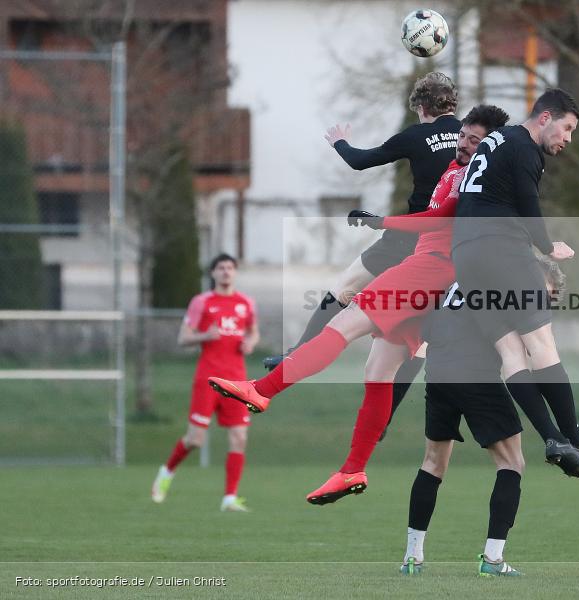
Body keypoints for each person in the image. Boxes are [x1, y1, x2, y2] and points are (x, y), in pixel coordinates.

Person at [208, 106, 511, 505]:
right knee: (379, 369)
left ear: (488, 146)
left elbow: (437, 221)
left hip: (429, 269)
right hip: (431, 273)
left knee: (347, 322)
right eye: (463, 136)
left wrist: (381, 222)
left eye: (475, 140)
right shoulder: (457, 169)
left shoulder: (477, 176)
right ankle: (352, 470)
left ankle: (262, 390)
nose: (464, 143)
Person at [261, 72, 462, 408]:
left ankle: (295, 355)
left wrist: (339, 141)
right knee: (419, 333)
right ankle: (388, 412)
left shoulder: (416, 135)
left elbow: (360, 161)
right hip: (445, 246)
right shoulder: (472, 137)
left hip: (404, 236)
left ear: (422, 106)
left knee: (345, 287)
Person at [450, 88, 579, 469]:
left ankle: (552, 438)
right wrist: (546, 245)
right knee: (542, 345)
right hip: (500, 247)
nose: (568, 139)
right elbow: (527, 204)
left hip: (466, 256)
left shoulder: (496, 139)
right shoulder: (525, 148)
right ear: (545, 118)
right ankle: (576, 438)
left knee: (510, 353)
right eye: (567, 128)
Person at [400, 282, 526, 577]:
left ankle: (412, 559)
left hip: (440, 373)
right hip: (477, 375)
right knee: (512, 463)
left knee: (432, 463)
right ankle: (493, 560)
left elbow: (426, 333)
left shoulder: (448, 280)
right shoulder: (502, 279)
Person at [151, 254, 259, 512]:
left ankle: (229, 498)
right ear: (212, 273)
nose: (226, 272)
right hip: (208, 379)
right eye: (221, 268)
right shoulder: (202, 302)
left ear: (235, 272)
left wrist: (251, 342)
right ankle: (167, 471)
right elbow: (182, 338)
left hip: (236, 382)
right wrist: (205, 335)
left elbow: (253, 331)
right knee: (195, 439)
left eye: (230, 268)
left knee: (239, 437)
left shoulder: (246, 303)